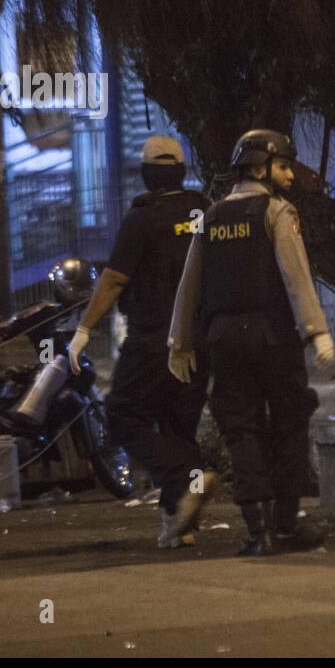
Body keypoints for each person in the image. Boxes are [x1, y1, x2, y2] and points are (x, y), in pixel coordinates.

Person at [167, 129, 335, 556]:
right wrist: (317, 330)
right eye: (284, 167)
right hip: (272, 334)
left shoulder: (211, 216)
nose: (291, 176)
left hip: (223, 338)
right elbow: (295, 276)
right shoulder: (278, 212)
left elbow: (190, 285)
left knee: (240, 429)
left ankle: (257, 531)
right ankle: (284, 524)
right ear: (261, 168)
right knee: (289, 422)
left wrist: (180, 341)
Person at [68, 135, 215, 549]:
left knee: (122, 415)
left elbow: (114, 279)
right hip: (199, 340)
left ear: (147, 175)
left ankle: (182, 482)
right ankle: (179, 523)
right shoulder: (204, 211)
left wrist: (83, 331)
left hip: (153, 340)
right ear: (182, 172)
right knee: (177, 425)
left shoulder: (141, 221)